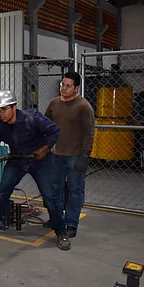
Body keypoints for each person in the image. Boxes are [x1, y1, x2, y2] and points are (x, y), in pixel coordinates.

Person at [0, 90, 71, 251]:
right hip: (17, 160)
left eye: (5, 109)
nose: (2, 114)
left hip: (40, 160)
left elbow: (54, 130)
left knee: (50, 196)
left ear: (14, 107)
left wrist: (45, 148)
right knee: (3, 191)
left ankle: (61, 231)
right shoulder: (0, 123)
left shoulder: (33, 118)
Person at [44, 72, 95, 238]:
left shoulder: (83, 106)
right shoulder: (54, 103)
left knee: (75, 190)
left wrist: (85, 156)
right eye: (62, 84)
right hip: (55, 155)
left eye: (67, 86)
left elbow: (89, 133)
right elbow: (45, 125)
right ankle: (57, 219)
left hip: (74, 156)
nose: (63, 88)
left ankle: (71, 223)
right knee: (55, 189)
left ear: (76, 88)